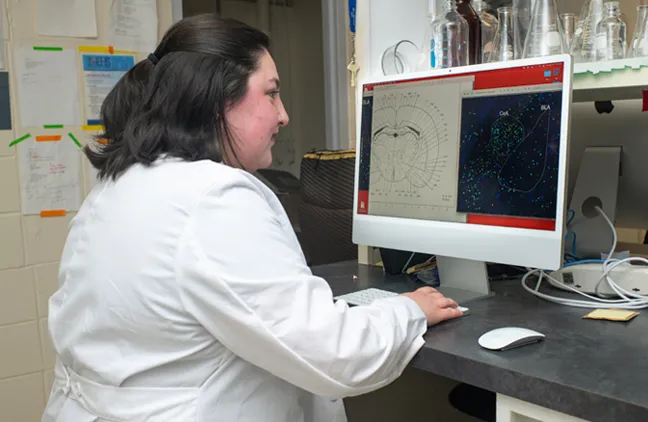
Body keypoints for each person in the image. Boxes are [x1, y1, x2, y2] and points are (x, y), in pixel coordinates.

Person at [42, 14, 463, 422]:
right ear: (219, 100)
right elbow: (334, 352)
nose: (284, 115)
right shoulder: (213, 198)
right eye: (271, 93)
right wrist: (408, 311)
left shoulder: (116, 187)